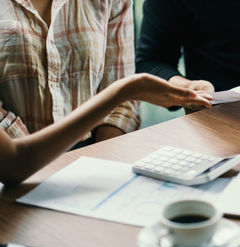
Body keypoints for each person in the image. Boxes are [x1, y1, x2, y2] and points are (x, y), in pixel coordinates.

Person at [0, 73, 212, 186]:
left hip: (86, 165)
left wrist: (100, 165)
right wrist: (128, 89)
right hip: (25, 182)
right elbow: (12, 163)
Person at [0, 0, 139, 145]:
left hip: (92, 152)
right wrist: (30, 156)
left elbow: (121, 99)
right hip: (14, 158)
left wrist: (101, 158)